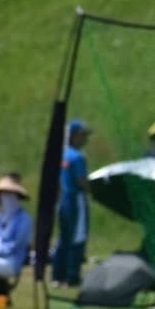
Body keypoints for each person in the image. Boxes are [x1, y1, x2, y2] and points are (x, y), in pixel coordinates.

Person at [52, 119, 91, 288]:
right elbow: (81, 180)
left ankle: (57, 275)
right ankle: (71, 276)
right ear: (74, 136)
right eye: (82, 135)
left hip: (63, 200)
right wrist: (94, 190)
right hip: (75, 199)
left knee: (64, 237)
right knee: (78, 236)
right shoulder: (78, 156)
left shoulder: (62, 155)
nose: (85, 139)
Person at [0, 174, 32, 280]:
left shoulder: (24, 219)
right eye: (3, 193)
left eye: (10, 194)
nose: (7, 197)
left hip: (10, 262)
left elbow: (15, 245)